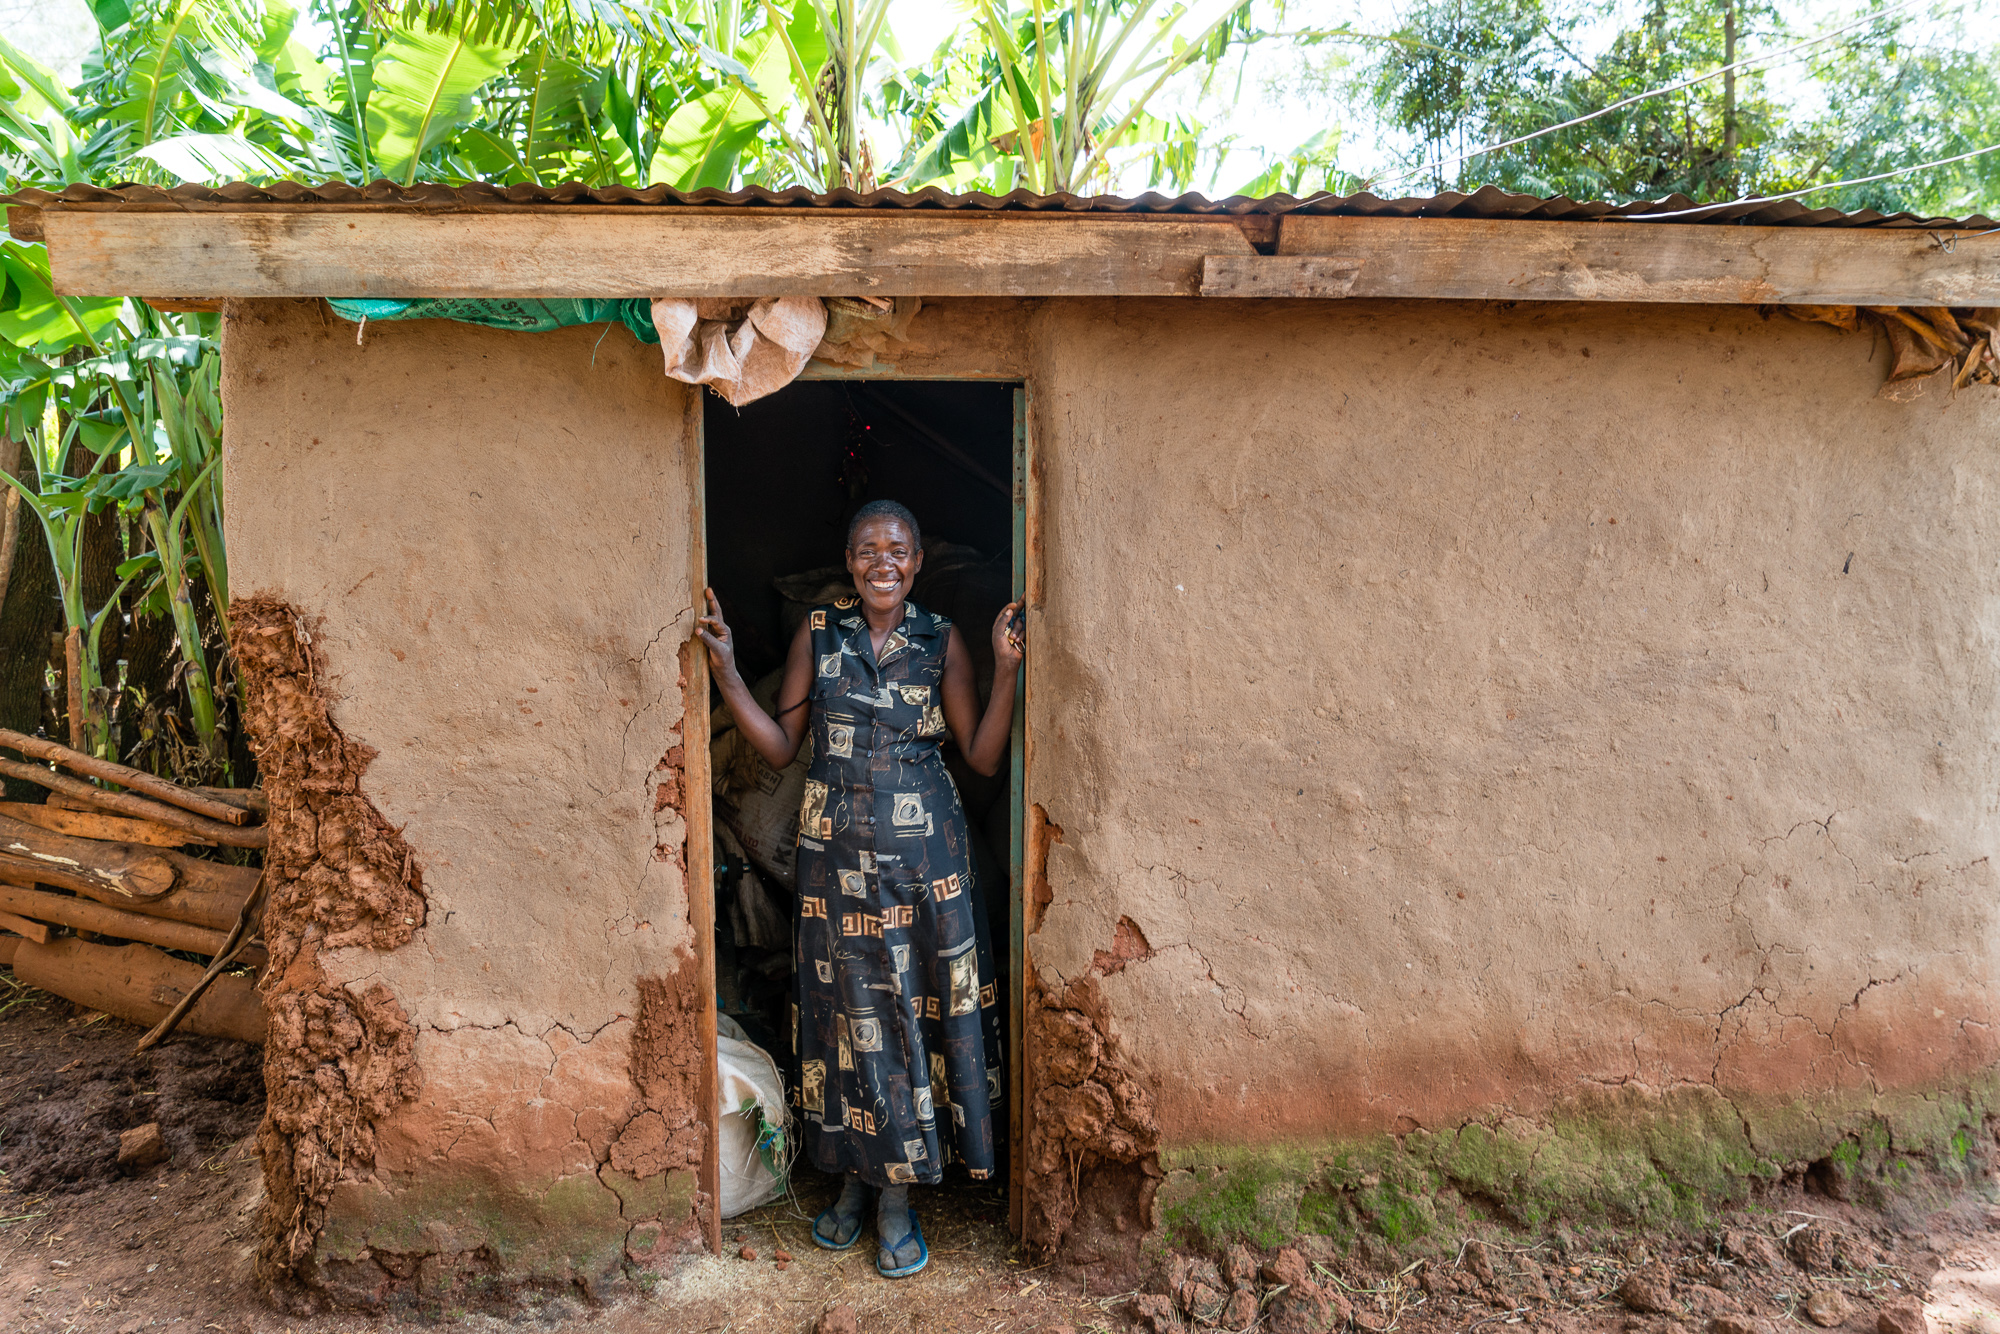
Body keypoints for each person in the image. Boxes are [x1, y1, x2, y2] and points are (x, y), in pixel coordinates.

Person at [698, 499, 1023, 1280]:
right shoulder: (820, 634)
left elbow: (979, 757)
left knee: (909, 1016)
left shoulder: (941, 642)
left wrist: (1007, 668)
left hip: (925, 870)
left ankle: (897, 1198)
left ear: (917, 562)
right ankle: (850, 1176)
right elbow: (780, 749)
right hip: (832, 867)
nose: (885, 560)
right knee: (844, 1017)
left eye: (899, 548)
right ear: (849, 561)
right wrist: (729, 674)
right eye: (870, 548)